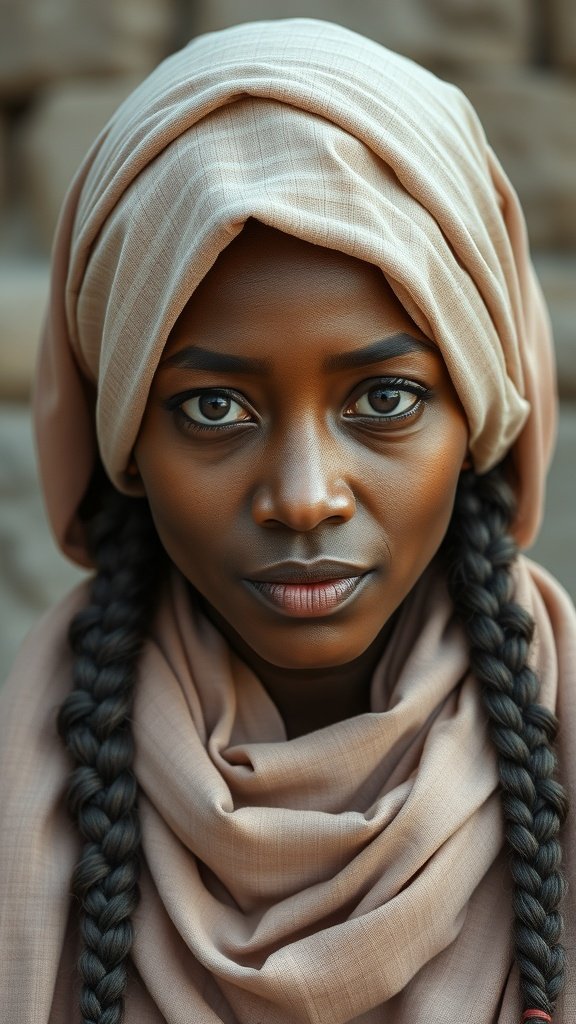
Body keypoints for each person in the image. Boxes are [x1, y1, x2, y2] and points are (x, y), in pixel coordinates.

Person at [0, 17, 574, 1024]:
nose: (305, 495)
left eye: (385, 399)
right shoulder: (26, 803)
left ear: (479, 416)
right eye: (213, 407)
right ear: (125, 441)